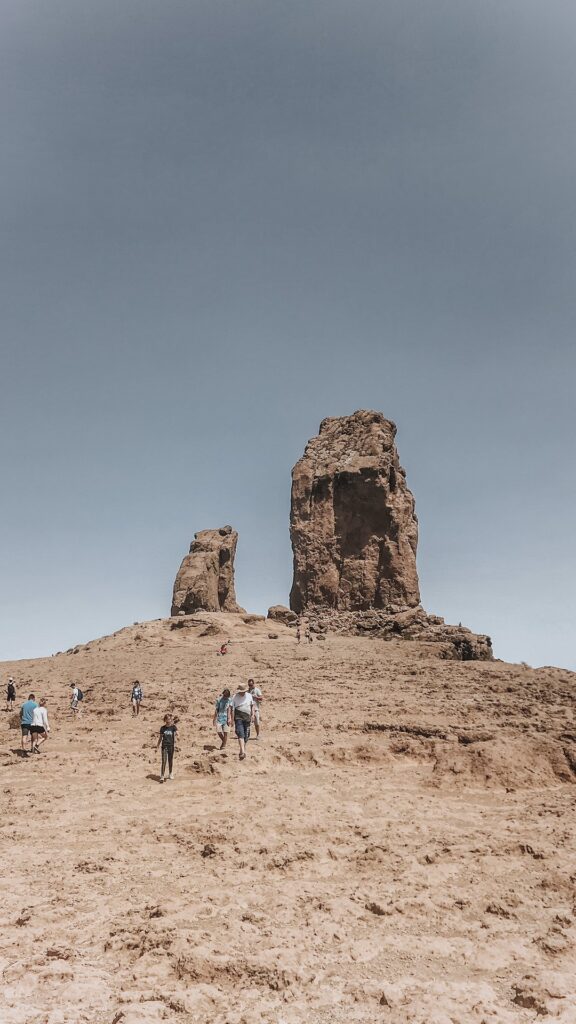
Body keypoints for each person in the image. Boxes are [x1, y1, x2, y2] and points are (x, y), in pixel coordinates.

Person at [231, 683, 254, 761]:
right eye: (241, 691)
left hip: (247, 717)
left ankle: (242, 750)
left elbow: (252, 706)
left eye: (243, 691)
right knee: (240, 734)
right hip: (238, 717)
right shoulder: (234, 697)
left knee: (246, 735)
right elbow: (232, 709)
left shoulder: (249, 696)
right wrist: (231, 718)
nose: (242, 693)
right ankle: (243, 752)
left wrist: (253, 715)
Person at [156, 714, 177, 782]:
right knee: (164, 761)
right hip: (164, 746)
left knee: (170, 760)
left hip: (171, 746)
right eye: (168, 719)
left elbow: (176, 734)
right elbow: (160, 738)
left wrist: (177, 734)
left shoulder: (173, 727)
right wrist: (157, 746)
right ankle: (162, 776)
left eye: (170, 719)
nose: (169, 720)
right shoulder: (162, 728)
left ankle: (170, 773)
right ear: (165, 720)